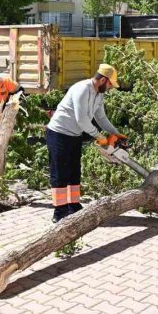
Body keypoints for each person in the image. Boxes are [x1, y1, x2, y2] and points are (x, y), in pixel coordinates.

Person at [46, 63, 126, 223]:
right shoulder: (82, 89)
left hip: (74, 135)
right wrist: (99, 136)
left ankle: (73, 205)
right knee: (60, 172)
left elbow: (101, 118)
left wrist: (116, 133)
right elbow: (81, 119)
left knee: (74, 171)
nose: (110, 88)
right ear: (103, 80)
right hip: (58, 134)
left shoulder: (99, 94)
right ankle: (59, 211)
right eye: (110, 84)